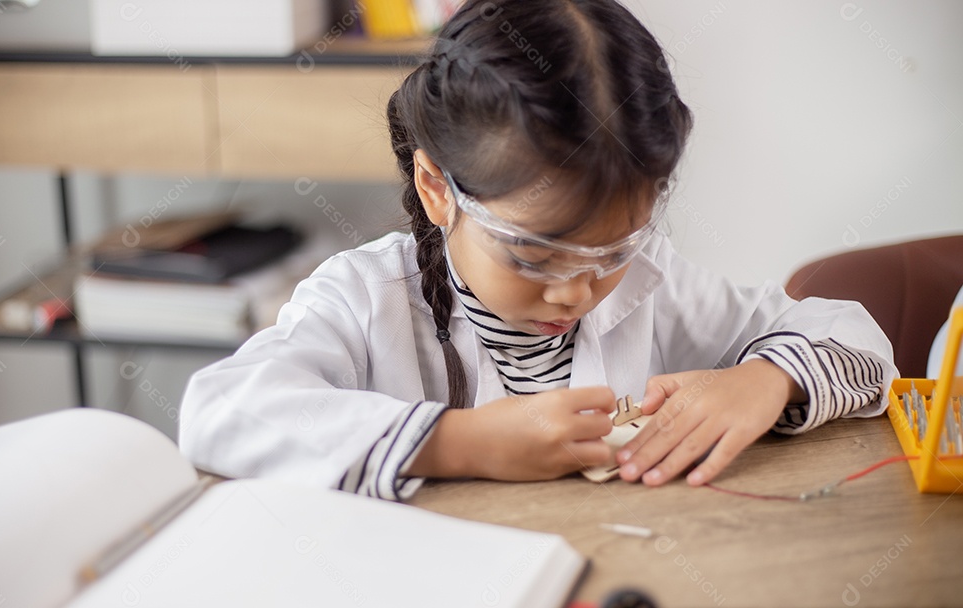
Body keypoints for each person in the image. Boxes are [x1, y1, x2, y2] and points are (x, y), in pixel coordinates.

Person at [179, 0, 895, 500]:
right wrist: (459, 444)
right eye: (533, 257)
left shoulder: (652, 284)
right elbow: (222, 413)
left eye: (611, 251)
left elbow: (857, 337)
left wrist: (766, 380)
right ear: (437, 188)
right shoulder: (363, 299)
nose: (575, 293)